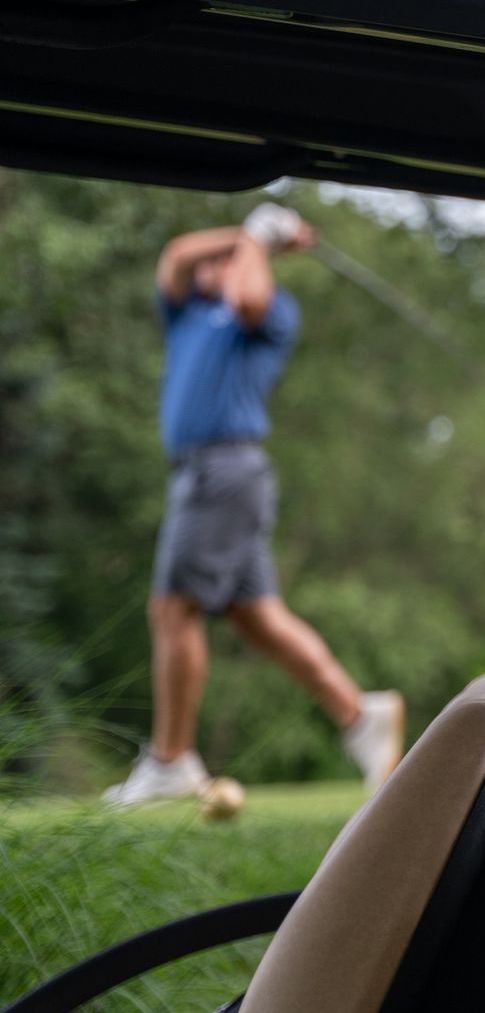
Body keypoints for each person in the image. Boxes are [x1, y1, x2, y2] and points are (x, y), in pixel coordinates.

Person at [104, 203, 406, 805]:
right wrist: (249, 232)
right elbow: (176, 253)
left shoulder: (268, 316)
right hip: (204, 474)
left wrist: (259, 247)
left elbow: (247, 297)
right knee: (257, 618)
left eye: (231, 257)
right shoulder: (187, 312)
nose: (217, 263)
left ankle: (171, 760)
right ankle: (359, 715)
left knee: (173, 610)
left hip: (223, 470)